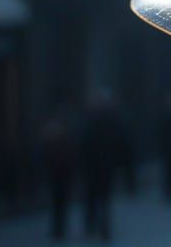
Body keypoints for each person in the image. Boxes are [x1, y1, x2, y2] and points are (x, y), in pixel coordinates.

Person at [80, 90, 126, 241]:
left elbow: (84, 143)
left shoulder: (91, 120)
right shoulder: (112, 120)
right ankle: (101, 226)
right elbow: (120, 144)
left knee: (94, 197)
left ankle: (94, 225)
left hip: (95, 165)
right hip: (104, 165)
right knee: (103, 198)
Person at [40, 112, 76, 240]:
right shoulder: (54, 141)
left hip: (61, 176)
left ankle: (59, 227)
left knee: (60, 203)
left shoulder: (61, 141)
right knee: (58, 203)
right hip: (57, 176)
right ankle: (58, 227)